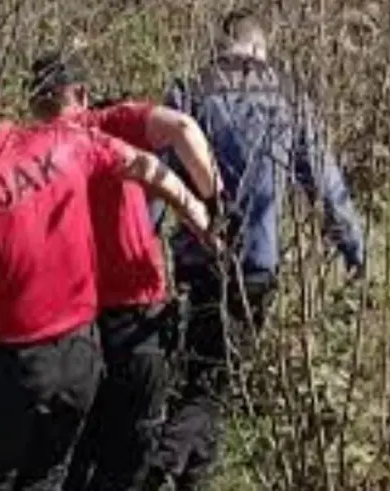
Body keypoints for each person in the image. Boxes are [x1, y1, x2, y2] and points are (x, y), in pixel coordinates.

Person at [0, 62, 216, 490]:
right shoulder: (65, 140)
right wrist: (202, 212)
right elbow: (148, 167)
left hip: (11, 367)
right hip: (80, 356)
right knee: (50, 473)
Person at [146, 10, 367, 490]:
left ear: (221, 43)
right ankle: (161, 469)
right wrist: (353, 245)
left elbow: (155, 177)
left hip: (199, 256)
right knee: (211, 385)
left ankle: (189, 477)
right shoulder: (287, 94)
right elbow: (324, 180)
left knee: (207, 376)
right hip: (256, 263)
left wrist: (141, 245)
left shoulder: (191, 90)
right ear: (261, 45)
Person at [24, 52, 220, 491]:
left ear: (35, 103)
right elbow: (182, 129)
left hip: (66, 327)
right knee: (131, 449)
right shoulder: (106, 126)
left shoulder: (26, 153)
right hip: (135, 315)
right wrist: (210, 204)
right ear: (82, 94)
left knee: (76, 447)